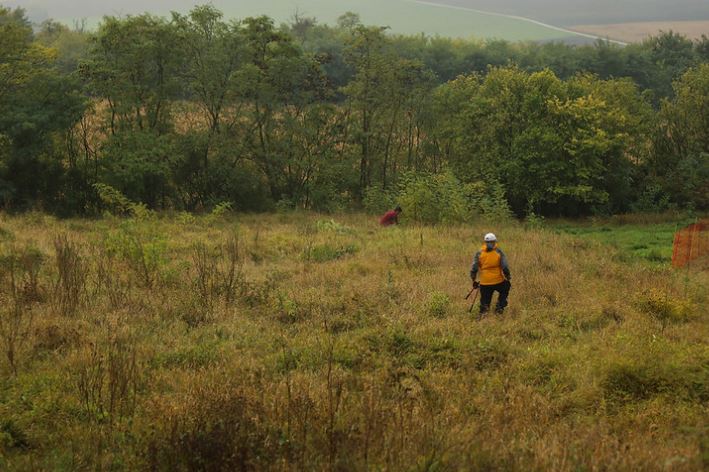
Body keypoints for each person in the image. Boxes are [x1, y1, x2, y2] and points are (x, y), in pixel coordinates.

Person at [470, 232, 511, 315]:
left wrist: (473, 280)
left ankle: (483, 315)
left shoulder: (479, 253)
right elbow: (505, 267)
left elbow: (474, 268)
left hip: (485, 283)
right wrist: (508, 277)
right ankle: (500, 307)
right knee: (506, 287)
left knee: (485, 302)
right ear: (495, 242)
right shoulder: (499, 252)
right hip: (498, 281)